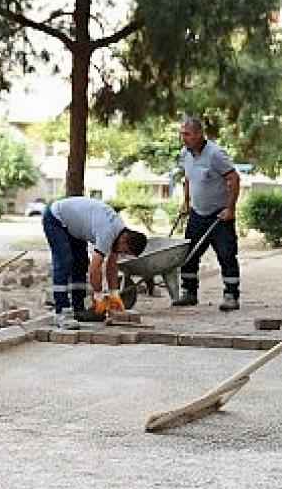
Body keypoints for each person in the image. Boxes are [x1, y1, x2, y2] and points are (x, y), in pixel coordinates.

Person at [42, 196, 148, 330]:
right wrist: (98, 296)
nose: (122, 254)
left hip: (74, 226)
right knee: (64, 262)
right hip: (56, 218)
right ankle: (61, 312)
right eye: (124, 251)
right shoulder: (108, 232)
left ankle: (78, 309)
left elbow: (112, 266)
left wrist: (114, 294)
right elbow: (95, 269)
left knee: (80, 263)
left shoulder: (119, 233)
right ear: (125, 239)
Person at [172, 116, 242, 311]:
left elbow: (234, 179)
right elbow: (187, 178)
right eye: (181, 134)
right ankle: (189, 292)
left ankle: (231, 295)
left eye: (187, 134)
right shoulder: (185, 154)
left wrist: (230, 208)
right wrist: (186, 202)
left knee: (226, 254)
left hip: (220, 215)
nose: (183, 138)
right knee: (188, 254)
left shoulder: (215, 154)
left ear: (199, 134)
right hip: (197, 213)